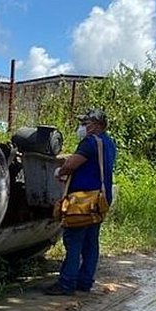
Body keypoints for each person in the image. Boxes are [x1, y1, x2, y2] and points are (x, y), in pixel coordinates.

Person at [45, 108, 116, 296]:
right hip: (100, 199)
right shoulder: (108, 143)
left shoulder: (90, 143)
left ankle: (67, 283)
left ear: (98, 125)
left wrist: (60, 172)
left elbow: (71, 164)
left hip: (83, 201)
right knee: (91, 241)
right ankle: (85, 282)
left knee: (74, 240)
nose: (82, 127)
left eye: (86, 124)